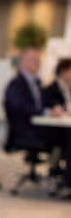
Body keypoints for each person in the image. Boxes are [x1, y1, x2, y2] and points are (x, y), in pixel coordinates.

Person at [43, 58, 71, 193]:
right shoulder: (51, 88)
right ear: (63, 71)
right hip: (54, 130)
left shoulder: (68, 88)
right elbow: (47, 107)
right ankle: (67, 182)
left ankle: (67, 179)